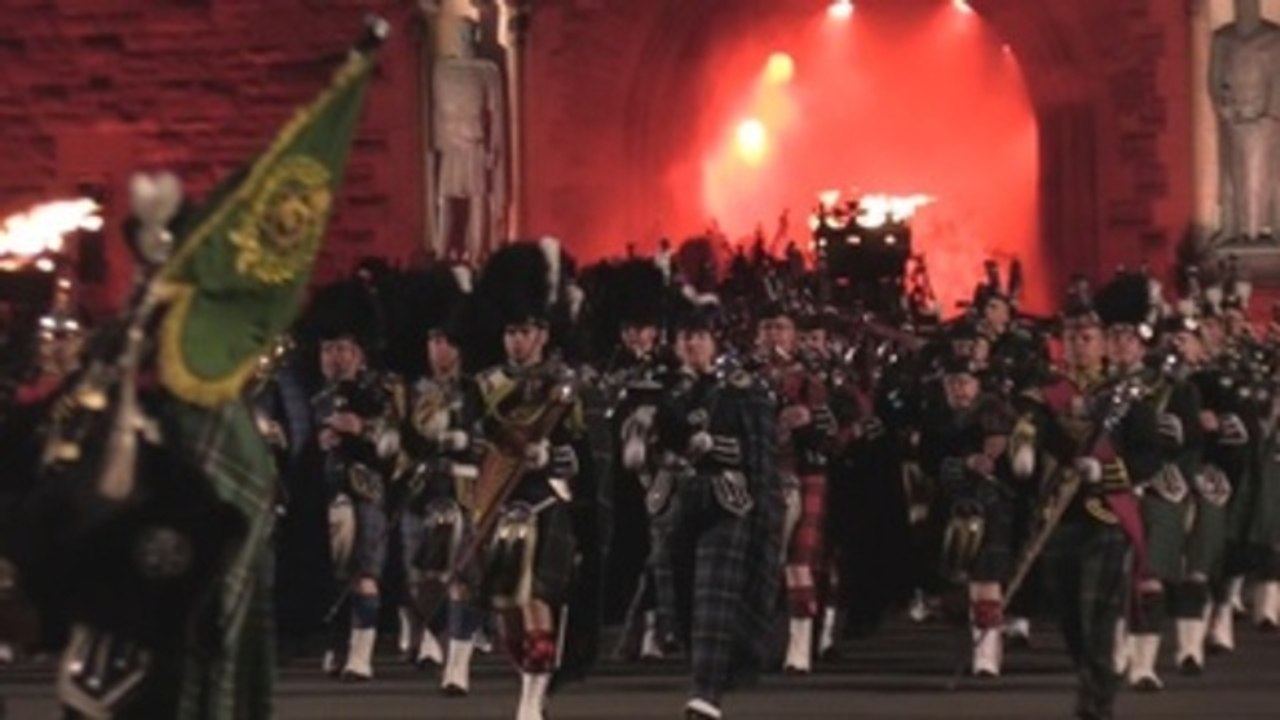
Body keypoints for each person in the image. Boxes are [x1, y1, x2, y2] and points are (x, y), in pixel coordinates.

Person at [648, 297, 782, 720]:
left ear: (715, 342)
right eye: (685, 337)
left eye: (700, 337)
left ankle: (706, 693)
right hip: (677, 500)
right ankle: (704, 676)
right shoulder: (666, 392)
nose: (692, 345)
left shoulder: (744, 389)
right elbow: (656, 451)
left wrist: (764, 515)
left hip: (728, 500)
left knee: (713, 596)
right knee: (684, 598)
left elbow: (760, 456)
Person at [309, 280, 404, 682]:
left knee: (365, 572)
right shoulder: (315, 400)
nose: (336, 357)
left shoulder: (385, 390)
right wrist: (319, 440)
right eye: (328, 349)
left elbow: (400, 441)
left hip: (368, 491)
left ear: (361, 352)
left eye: (344, 348)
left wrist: (361, 428)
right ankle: (337, 643)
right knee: (331, 577)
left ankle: (361, 655)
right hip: (323, 496)